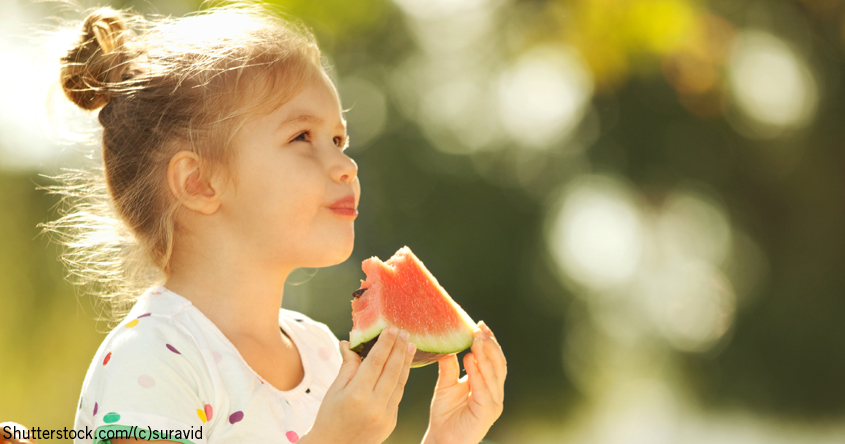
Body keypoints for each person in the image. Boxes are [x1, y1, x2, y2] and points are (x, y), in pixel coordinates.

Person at [45, 3, 507, 444]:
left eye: (339, 139)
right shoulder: (152, 358)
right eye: (302, 136)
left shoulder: (322, 352)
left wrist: (444, 439)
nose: (347, 165)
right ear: (200, 182)